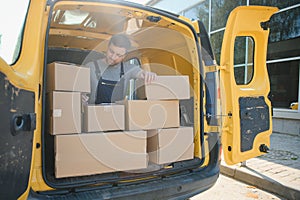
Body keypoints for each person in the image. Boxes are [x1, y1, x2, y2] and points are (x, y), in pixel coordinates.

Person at [83, 34, 156, 104]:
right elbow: (77, 91)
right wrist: (81, 98)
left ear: (124, 56)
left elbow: (141, 73)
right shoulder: (90, 67)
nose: (113, 57)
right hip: (93, 114)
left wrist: (148, 74)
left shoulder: (128, 69)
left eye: (118, 55)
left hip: (118, 114)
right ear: (107, 47)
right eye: (111, 52)